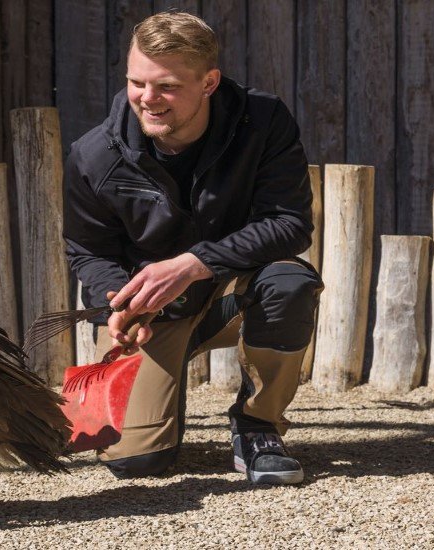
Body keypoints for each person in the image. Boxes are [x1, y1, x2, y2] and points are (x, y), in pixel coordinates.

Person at [62, 11, 321, 484]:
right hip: (149, 313)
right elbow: (88, 251)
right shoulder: (92, 154)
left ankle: (258, 424)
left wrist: (196, 263)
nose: (147, 98)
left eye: (166, 86)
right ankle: (162, 400)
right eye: (136, 82)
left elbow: (290, 223)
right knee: (134, 464)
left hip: (236, 290)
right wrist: (118, 302)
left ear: (209, 82)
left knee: (291, 281)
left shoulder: (262, 122)